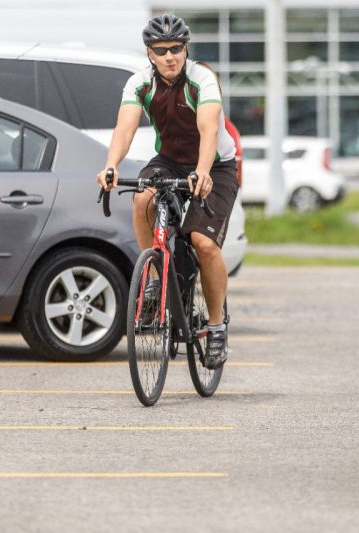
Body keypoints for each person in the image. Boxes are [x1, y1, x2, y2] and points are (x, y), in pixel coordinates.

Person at [97, 14, 237, 369]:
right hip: (171, 160)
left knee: (203, 244)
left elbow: (208, 129)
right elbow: (125, 128)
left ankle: (217, 325)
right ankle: (155, 277)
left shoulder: (201, 79)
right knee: (142, 195)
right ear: (150, 54)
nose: (170, 56)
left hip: (216, 165)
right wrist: (111, 166)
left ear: (185, 48)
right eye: (162, 50)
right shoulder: (139, 83)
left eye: (176, 48)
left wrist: (203, 172)